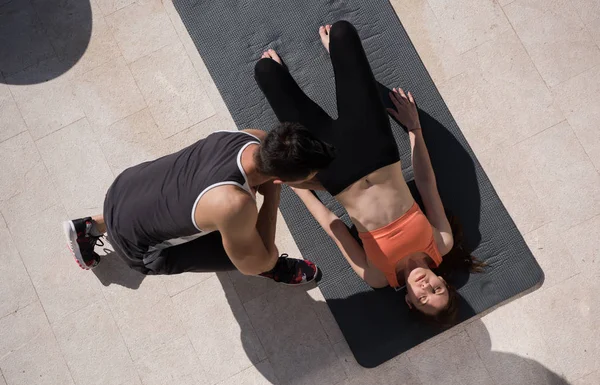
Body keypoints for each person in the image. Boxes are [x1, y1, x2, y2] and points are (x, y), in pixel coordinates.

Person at [254, 21, 481, 324]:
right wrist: (414, 129)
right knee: (342, 32)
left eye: (423, 298)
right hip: (376, 148)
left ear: (410, 302)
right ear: (445, 282)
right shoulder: (442, 243)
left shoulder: (377, 277)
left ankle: (315, 67)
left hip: (332, 170)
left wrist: (298, 186)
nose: (426, 287)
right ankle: (335, 54)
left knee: (265, 72)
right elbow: (427, 184)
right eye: (438, 288)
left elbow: (333, 226)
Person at [63, 123, 335, 285]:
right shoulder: (234, 204)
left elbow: (281, 175)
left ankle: (89, 226)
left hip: (122, 189)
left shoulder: (250, 137)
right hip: (139, 251)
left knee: (187, 197)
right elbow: (253, 265)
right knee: (256, 253)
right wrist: (273, 196)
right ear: (281, 177)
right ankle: (278, 270)